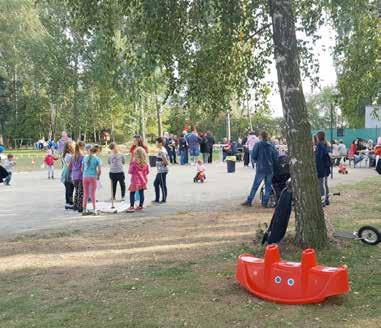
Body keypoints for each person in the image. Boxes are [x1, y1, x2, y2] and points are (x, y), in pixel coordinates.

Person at [241, 131, 278, 207]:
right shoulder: (271, 145)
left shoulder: (258, 145)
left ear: (261, 136)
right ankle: (265, 202)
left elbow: (253, 156)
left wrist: (256, 161)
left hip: (260, 168)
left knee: (255, 186)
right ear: (267, 137)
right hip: (270, 168)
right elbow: (275, 157)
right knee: (268, 186)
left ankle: (249, 200)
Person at [127, 147, 150, 212]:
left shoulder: (134, 163)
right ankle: (140, 206)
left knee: (132, 193)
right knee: (141, 193)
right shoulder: (145, 164)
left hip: (135, 181)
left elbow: (130, 171)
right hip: (143, 181)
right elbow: (147, 172)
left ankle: (131, 206)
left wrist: (130, 164)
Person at [82, 145, 102, 215]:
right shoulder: (97, 159)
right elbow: (99, 170)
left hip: (85, 177)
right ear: (96, 151)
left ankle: (84, 209)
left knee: (86, 194)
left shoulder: (85, 158)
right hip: (92, 177)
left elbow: (82, 169)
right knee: (92, 194)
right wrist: (98, 176)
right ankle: (94, 209)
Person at [315, 131, 331, 206]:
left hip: (322, 168)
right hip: (326, 167)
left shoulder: (320, 145)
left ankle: (322, 201)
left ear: (318, 137)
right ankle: (327, 199)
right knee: (325, 184)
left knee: (321, 184)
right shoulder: (326, 144)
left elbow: (319, 158)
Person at [152, 137, 169, 204]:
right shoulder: (160, 150)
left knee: (162, 184)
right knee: (156, 183)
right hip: (159, 170)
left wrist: (163, 161)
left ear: (160, 143)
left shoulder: (162, 151)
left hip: (162, 171)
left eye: (156, 142)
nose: (155, 143)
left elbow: (166, 162)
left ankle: (164, 199)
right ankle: (157, 199)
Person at [70, 141, 85, 212]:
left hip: (74, 176)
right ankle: (80, 207)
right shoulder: (82, 157)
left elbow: (70, 167)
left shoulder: (73, 156)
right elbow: (83, 167)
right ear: (82, 147)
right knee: (81, 192)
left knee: (76, 191)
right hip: (80, 176)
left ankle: (75, 206)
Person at [61, 142, 75, 209]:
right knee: (69, 188)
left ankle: (69, 202)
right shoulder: (68, 156)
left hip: (67, 173)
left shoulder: (68, 155)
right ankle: (69, 202)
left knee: (69, 188)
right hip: (68, 174)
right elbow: (68, 166)